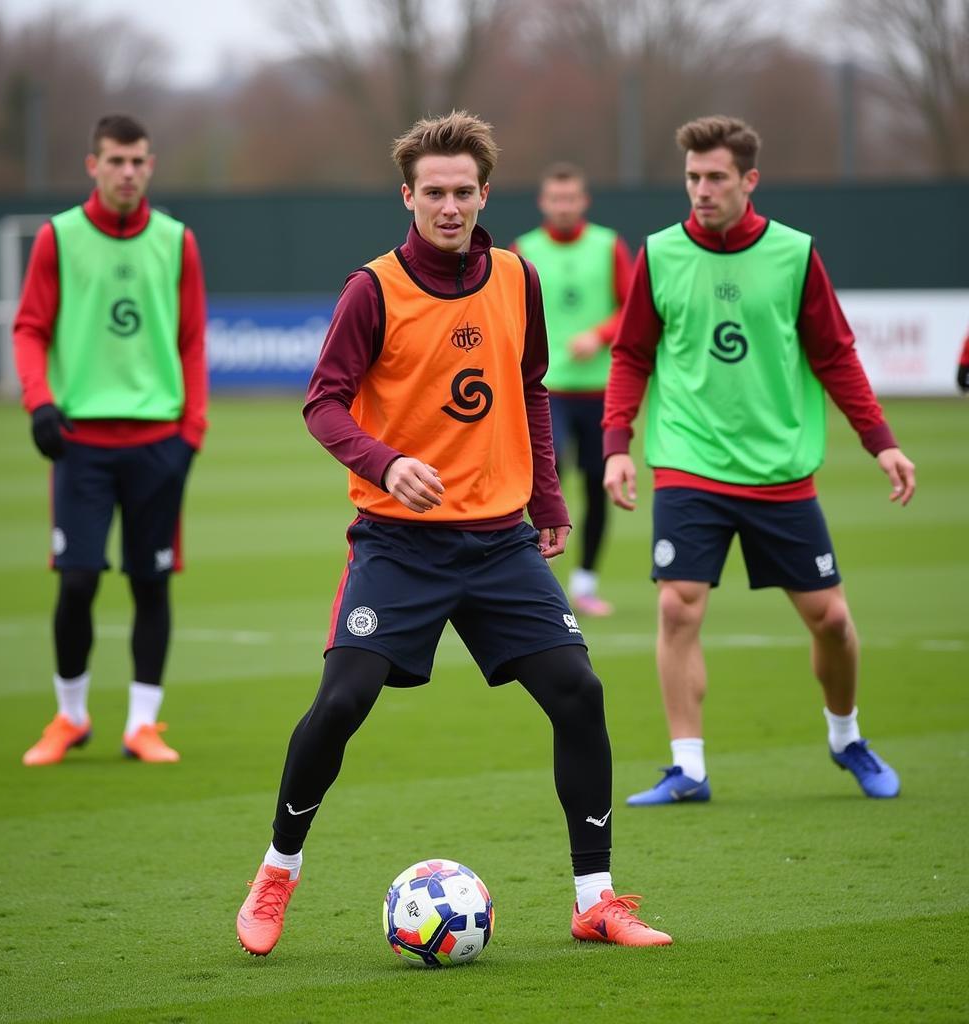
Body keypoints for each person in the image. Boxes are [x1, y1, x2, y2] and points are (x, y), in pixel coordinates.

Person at [236, 111, 671, 956]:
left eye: (463, 192)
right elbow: (323, 402)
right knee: (342, 702)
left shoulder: (517, 276)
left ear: (483, 194)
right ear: (408, 195)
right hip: (398, 544)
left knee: (579, 695)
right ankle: (277, 870)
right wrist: (385, 460)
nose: (448, 206)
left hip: (500, 543)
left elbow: (532, 388)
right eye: (432, 192)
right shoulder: (373, 289)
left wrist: (546, 500)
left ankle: (596, 900)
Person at [602, 115, 916, 806]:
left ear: (749, 179)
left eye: (715, 177)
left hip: (779, 471)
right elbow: (631, 356)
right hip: (688, 462)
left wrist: (881, 441)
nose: (701, 190)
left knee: (831, 619)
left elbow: (835, 355)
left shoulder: (796, 254)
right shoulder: (658, 253)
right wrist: (617, 447)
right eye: (692, 177)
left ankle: (846, 738)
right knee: (679, 609)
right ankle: (688, 767)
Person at [14, 114, 208, 766]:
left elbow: (192, 342)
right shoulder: (58, 238)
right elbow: (29, 328)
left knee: (151, 585)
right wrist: (39, 402)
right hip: (81, 444)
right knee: (76, 582)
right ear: (91, 165)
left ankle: (142, 725)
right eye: (115, 160)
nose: (128, 172)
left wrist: (191, 433)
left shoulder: (177, 241)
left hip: (159, 443)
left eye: (138, 161)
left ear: (151, 166)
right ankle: (70, 716)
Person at [513, 164, 632, 617]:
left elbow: (632, 309)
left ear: (584, 201)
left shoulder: (608, 245)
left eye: (571, 199)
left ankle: (585, 583)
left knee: (599, 486)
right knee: (546, 475)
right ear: (544, 203)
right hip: (547, 389)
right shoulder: (525, 250)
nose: (563, 206)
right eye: (555, 199)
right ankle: (536, 578)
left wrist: (598, 336)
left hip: (602, 390)